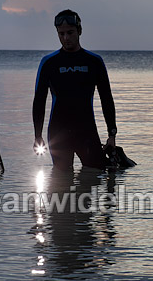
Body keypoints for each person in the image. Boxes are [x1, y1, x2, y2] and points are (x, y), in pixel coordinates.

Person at [32, 9, 117, 170]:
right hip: (58, 133)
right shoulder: (49, 63)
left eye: (70, 33)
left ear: (79, 31)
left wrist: (112, 134)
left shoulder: (94, 62)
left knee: (94, 181)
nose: (66, 38)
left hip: (86, 132)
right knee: (61, 184)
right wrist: (37, 135)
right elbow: (39, 101)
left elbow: (106, 98)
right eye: (61, 33)